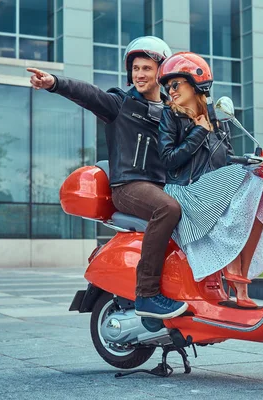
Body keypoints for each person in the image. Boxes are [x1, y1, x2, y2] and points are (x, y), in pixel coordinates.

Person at [27, 36, 188, 319]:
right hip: (130, 185)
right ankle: (147, 294)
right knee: (168, 209)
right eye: (136, 68)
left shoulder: (172, 114)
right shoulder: (120, 105)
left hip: (163, 186)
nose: (139, 74)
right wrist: (54, 83)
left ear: (161, 72)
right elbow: (88, 94)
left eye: (147, 68)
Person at [157, 52, 263, 308]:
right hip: (186, 192)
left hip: (214, 190)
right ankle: (234, 272)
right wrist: (198, 131)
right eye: (167, 87)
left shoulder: (218, 120)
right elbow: (168, 160)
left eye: (175, 84)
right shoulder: (171, 117)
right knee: (247, 184)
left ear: (196, 83)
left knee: (260, 200)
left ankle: (239, 280)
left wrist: (252, 160)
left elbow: (226, 158)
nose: (170, 91)